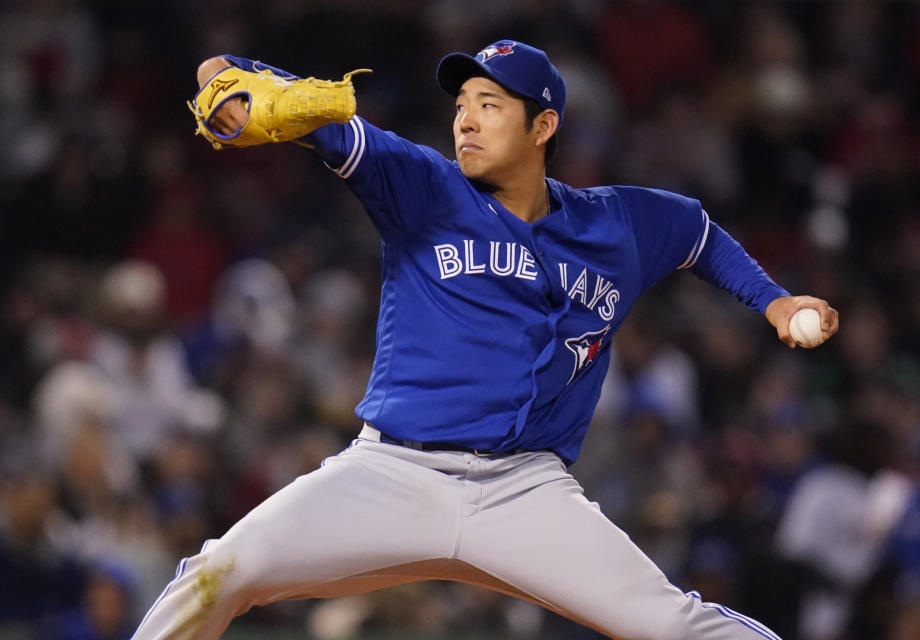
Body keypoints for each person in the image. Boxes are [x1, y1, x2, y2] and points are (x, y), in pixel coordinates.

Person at [132, 40, 838, 640]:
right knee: (218, 576)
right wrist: (222, 81)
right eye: (462, 104)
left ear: (543, 126)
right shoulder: (421, 184)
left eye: (491, 105)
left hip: (525, 493)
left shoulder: (617, 224)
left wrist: (774, 302)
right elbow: (245, 83)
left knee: (674, 627)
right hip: (392, 475)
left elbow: (698, 236)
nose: (466, 121)